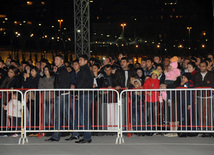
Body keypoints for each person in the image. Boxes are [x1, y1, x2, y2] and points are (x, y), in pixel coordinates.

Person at [45, 55, 70, 142]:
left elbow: (63, 83)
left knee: (59, 116)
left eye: (57, 59)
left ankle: (57, 135)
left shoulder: (62, 70)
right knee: (65, 115)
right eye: (55, 59)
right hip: (62, 95)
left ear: (62, 61)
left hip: (61, 95)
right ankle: (75, 133)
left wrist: (59, 93)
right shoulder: (60, 70)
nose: (55, 61)